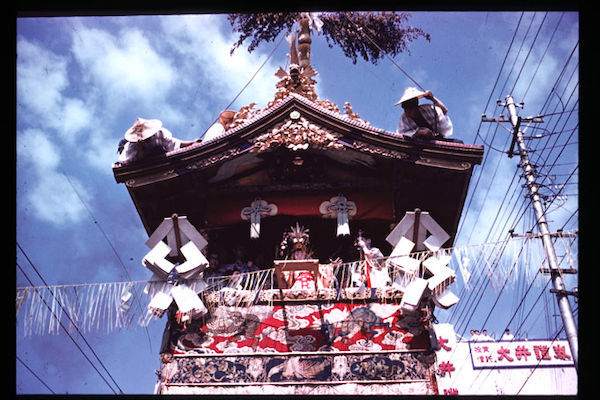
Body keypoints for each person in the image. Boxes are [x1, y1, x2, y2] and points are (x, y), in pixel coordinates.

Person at [117, 118, 199, 163]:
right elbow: (135, 159)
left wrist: (193, 142)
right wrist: (139, 147)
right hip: (142, 163)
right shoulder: (132, 145)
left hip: (160, 156)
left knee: (159, 149)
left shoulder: (159, 133)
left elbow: (173, 142)